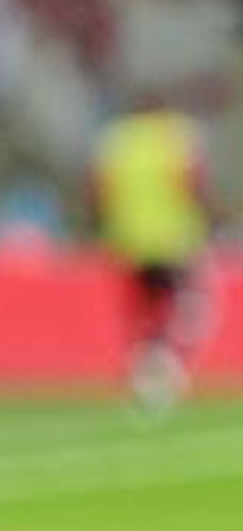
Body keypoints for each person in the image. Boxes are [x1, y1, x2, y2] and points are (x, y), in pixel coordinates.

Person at [89, 91, 215, 413]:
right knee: (179, 307)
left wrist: (104, 223)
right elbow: (192, 182)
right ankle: (160, 369)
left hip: (129, 239)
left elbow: (100, 189)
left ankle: (145, 370)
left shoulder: (117, 138)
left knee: (143, 309)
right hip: (172, 238)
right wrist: (208, 214)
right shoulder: (176, 134)